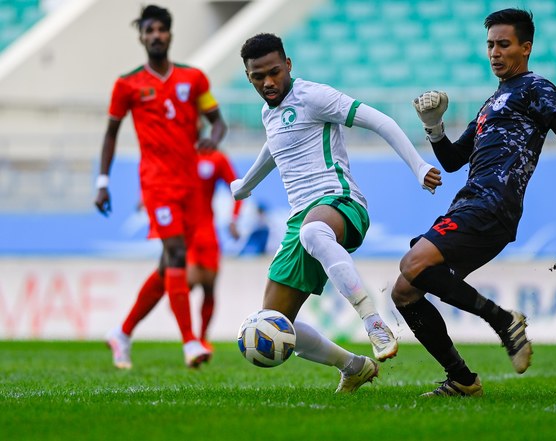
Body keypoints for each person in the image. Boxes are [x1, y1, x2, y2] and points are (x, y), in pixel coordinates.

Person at [391, 8, 556, 398]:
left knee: (412, 264)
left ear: (525, 48)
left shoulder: (535, 88)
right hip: (470, 202)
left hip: (493, 205)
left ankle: (502, 320)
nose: (494, 52)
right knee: (404, 292)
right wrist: (434, 126)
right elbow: (454, 161)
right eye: (490, 44)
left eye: (503, 44)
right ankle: (461, 379)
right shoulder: (493, 101)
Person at [231, 33, 442, 393]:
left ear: (289, 65)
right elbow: (273, 146)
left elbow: (381, 121)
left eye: (274, 72)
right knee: (276, 322)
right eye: (257, 76)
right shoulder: (270, 112)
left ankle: (373, 320)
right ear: (248, 75)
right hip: (302, 218)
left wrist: (419, 166)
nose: (268, 82)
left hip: (340, 201)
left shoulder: (314, 96)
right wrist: (246, 184)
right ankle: (353, 366)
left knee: (312, 233)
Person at [95, 4, 227, 369]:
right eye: (149, 30)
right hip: (156, 184)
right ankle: (190, 343)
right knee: (176, 255)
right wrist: (103, 182)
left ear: (169, 34)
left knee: (165, 267)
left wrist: (213, 139)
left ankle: (121, 332)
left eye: (161, 30)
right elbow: (111, 134)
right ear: (141, 37)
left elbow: (217, 122)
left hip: (188, 185)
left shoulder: (194, 79)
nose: (155, 36)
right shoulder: (128, 85)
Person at [188, 149, 243, 352]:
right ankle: (188, 339)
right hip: (184, 233)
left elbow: (238, 188)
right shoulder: (181, 152)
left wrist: (234, 218)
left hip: (207, 233)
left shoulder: (217, 158)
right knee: (188, 283)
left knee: (209, 288)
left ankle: (201, 339)